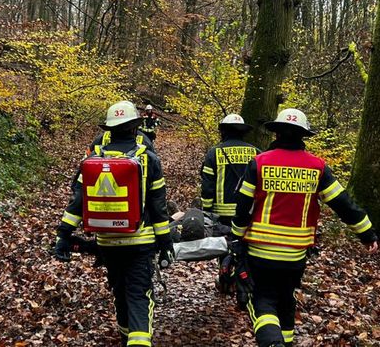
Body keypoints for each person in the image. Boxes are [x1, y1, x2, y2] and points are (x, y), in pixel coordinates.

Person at [229, 108, 379, 347]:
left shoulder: (259, 163)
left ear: (276, 133)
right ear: (303, 136)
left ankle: (273, 343)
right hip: (295, 255)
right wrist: (367, 232)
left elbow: (243, 207)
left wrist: (235, 238)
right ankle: (286, 342)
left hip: (260, 252)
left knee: (263, 301)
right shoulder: (317, 167)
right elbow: (343, 204)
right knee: (286, 299)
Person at [54, 100, 175, 347]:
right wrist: (165, 242)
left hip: (107, 242)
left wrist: (63, 235)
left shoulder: (92, 160)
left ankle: (125, 337)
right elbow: (158, 207)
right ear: (135, 128)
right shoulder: (148, 159)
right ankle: (138, 341)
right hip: (140, 241)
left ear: (108, 129)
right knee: (139, 295)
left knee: (120, 293)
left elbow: (78, 200)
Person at [200, 114, 260, 225]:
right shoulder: (256, 153)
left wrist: (206, 211)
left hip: (220, 217)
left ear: (223, 131)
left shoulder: (214, 153)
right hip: (248, 214)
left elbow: (207, 186)